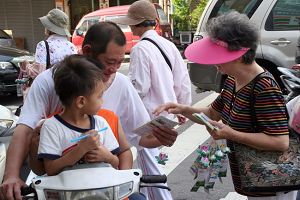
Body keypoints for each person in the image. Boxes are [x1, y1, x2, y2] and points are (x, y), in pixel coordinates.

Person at [0, 22, 176, 200]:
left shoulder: (116, 96)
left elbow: (139, 137)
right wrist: (11, 175)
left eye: (120, 62)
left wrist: (161, 137)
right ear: (87, 51)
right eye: (109, 62)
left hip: (107, 189)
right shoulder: (50, 84)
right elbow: (25, 130)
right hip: (64, 190)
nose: (114, 69)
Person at [154, 11, 296, 200]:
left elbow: (280, 142)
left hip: (271, 184)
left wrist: (230, 134)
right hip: (253, 179)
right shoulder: (232, 80)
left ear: (238, 55)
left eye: (217, 56)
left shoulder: (264, 87)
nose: (214, 63)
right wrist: (182, 109)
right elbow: (212, 113)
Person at [38, 55, 120, 176]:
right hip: (69, 192)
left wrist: (107, 157)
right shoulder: (52, 127)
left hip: (102, 191)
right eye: (99, 96)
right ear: (81, 102)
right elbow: (50, 169)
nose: (102, 101)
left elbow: (116, 162)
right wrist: (81, 149)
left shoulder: (100, 123)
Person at [112, 0, 191, 120]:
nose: (129, 26)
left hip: (149, 116)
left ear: (136, 24)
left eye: (130, 23)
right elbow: (182, 80)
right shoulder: (169, 45)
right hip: (169, 114)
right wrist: (182, 108)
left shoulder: (139, 49)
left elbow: (139, 88)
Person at [19, 8, 77, 100]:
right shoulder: (71, 46)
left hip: (48, 93)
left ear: (49, 28)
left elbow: (38, 73)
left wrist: (26, 65)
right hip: (66, 93)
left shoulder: (43, 45)